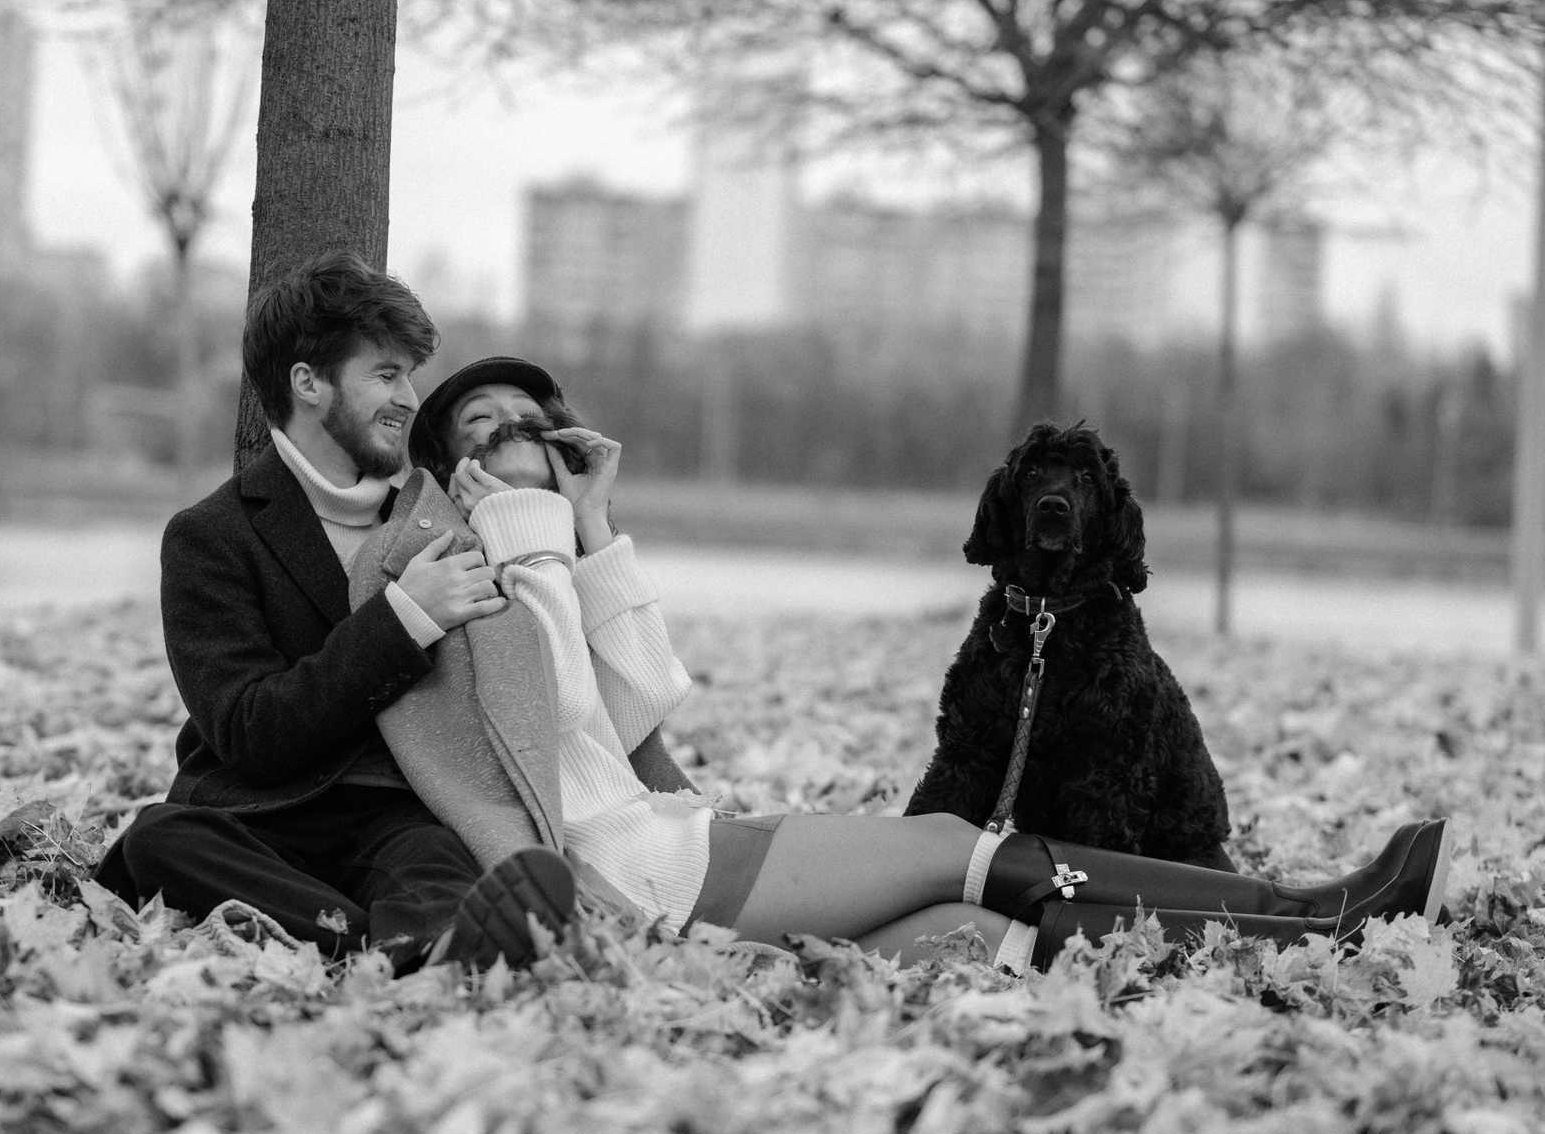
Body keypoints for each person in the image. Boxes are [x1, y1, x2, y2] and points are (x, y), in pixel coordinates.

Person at [368, 355, 1454, 973]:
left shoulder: (547, 555)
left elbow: (641, 697)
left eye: (527, 418)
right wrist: (522, 526)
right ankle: (1314, 907)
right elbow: (531, 722)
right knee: (949, 842)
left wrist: (594, 527)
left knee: (986, 938)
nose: (509, 428)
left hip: (667, 844)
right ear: (452, 470)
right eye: (481, 425)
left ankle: (1278, 949)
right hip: (633, 867)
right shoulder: (459, 572)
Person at [92, 255, 579, 973]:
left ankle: (422, 939)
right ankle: (382, 944)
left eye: (409, 376)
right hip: (255, 816)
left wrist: (588, 524)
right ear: (309, 383)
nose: (409, 399)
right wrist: (404, 618)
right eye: (386, 375)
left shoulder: (440, 516)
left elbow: (539, 663)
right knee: (158, 840)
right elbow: (250, 731)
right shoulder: (210, 537)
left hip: (393, 815)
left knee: (436, 862)